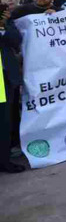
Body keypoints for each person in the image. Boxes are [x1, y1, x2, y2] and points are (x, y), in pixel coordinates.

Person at [0, 11, 23, 173]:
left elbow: (16, 40)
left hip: (5, 77)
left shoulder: (6, 19)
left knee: (4, 121)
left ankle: (4, 161)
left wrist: (2, 26)